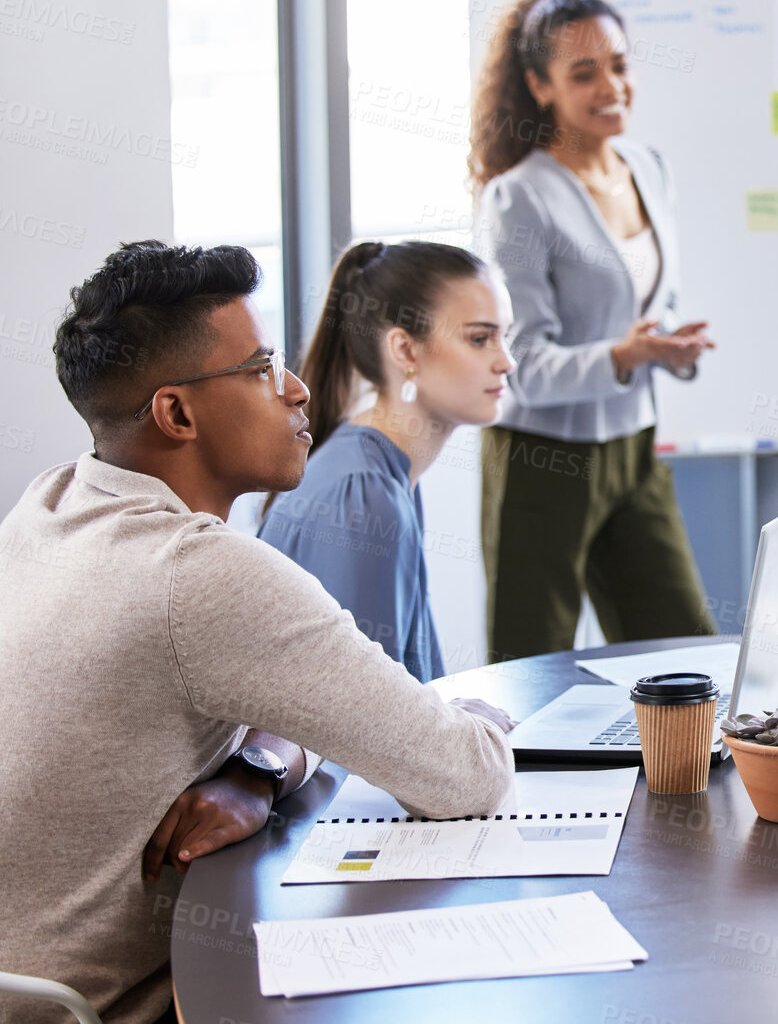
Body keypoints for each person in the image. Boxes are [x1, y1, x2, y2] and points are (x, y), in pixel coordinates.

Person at [0, 241, 516, 1024]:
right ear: (176, 412)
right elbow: (465, 773)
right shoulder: (200, 573)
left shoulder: (51, 502)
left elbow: (280, 705)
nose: (299, 388)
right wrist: (480, 716)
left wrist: (262, 765)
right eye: (262, 368)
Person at [469, 0, 717, 660]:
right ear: (538, 86)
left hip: (633, 446)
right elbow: (520, 365)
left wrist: (667, 348)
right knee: (531, 664)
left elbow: (643, 307)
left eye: (618, 64)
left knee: (683, 653)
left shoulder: (647, 166)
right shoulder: (518, 197)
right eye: (583, 74)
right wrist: (625, 354)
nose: (611, 86)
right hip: (541, 461)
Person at [257, 240, 514, 682]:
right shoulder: (361, 494)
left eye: (505, 337)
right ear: (406, 351)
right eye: (480, 338)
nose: (506, 362)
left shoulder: (384, 475)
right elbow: (352, 724)